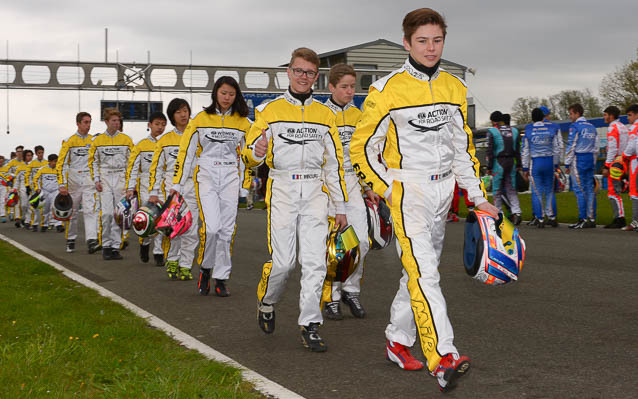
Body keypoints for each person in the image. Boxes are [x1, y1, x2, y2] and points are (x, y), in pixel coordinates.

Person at [349, 8, 498, 392]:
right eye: (422, 41)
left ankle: (398, 342)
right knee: (425, 274)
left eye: (437, 40)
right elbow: (362, 149)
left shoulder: (454, 87)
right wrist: (388, 188)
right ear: (406, 43)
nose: (431, 48)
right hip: (408, 192)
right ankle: (442, 355)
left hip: (444, 191)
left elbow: (462, 149)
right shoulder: (386, 91)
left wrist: (478, 197)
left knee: (416, 270)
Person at [242, 47, 348, 352]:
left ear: (317, 76)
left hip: (316, 191)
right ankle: (268, 300)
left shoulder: (325, 115)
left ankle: (310, 323)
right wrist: (255, 154)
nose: (304, 77)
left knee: (315, 262)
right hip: (283, 189)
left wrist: (340, 206)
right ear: (288, 72)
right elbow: (249, 153)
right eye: (298, 71)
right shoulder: (269, 111)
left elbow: (334, 165)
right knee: (284, 263)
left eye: (310, 73)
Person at [172, 76, 252, 294]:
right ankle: (206, 268)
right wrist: (177, 183)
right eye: (223, 92)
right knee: (213, 228)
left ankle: (220, 278)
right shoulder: (200, 119)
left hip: (230, 176)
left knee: (227, 231)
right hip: (206, 174)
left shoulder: (244, 123)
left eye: (231, 94)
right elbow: (186, 153)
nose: (227, 97)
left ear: (236, 96)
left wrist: (245, 186)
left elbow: (247, 157)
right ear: (215, 92)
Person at [321, 63, 377, 320]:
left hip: (353, 181)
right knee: (335, 243)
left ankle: (350, 291)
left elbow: (363, 154)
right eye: (344, 86)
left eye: (353, 86)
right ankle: (330, 296)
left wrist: (369, 186)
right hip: (327, 184)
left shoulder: (359, 116)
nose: (349, 91)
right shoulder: (321, 114)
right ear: (331, 87)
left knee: (362, 241)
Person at [148, 98, 199, 278]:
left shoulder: (197, 134)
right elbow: (156, 168)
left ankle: (186, 265)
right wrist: (154, 192)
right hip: (172, 188)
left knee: (191, 229)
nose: (183, 114)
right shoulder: (164, 140)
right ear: (172, 116)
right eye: (178, 112)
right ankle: (172, 259)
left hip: (194, 186)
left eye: (185, 110)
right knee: (174, 230)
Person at [89, 108, 134, 260]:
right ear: (106, 122)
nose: (116, 123)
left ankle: (115, 247)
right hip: (105, 178)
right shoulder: (97, 141)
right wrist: (96, 180)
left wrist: (130, 186)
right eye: (113, 120)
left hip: (121, 178)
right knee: (107, 214)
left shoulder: (127, 140)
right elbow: (93, 162)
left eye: (118, 120)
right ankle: (106, 245)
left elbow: (131, 164)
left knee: (119, 214)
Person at [125, 112, 167, 263]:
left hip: (162, 184)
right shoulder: (141, 145)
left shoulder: (167, 143)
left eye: (163, 124)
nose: (160, 127)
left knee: (161, 217)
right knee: (148, 217)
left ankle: (158, 252)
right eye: (157, 124)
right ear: (149, 125)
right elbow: (133, 168)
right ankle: (145, 243)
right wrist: (130, 187)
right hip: (145, 185)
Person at [57, 112, 101, 254]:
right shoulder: (68, 141)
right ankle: (70, 239)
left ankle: (91, 240)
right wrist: (62, 184)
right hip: (73, 180)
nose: (88, 125)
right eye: (85, 122)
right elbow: (61, 164)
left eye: (90, 122)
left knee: (90, 210)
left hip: (89, 179)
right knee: (73, 212)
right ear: (78, 123)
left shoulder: (93, 140)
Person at [522, 108, 562, 227]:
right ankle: (552, 216)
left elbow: (525, 151)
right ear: (543, 117)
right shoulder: (551, 128)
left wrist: (525, 168)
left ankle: (540, 218)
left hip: (536, 162)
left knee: (536, 191)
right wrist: (556, 164)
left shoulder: (529, 129)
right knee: (550, 190)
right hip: (549, 161)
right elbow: (556, 148)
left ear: (532, 118)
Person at [565, 104, 598, 229]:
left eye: (571, 113)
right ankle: (591, 218)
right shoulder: (592, 127)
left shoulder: (575, 127)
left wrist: (567, 163)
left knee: (579, 190)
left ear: (577, 113)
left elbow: (571, 145)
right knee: (590, 189)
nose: (570, 116)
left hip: (579, 159)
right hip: (590, 159)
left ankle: (583, 218)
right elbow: (596, 147)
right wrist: (594, 162)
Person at [486, 111, 522, 225]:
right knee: (511, 189)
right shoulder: (515, 130)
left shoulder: (492, 131)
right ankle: (516, 212)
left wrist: (489, 166)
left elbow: (489, 150)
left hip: (498, 162)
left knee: (497, 190)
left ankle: (498, 214)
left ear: (493, 121)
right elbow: (518, 150)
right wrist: (519, 165)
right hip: (511, 162)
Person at [602, 105, 628, 228]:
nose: (604, 117)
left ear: (611, 116)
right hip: (623, 160)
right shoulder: (623, 127)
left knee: (613, 191)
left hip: (615, 162)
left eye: (605, 115)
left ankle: (619, 218)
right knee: (617, 190)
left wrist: (606, 166)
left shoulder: (612, 127)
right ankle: (619, 217)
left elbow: (612, 148)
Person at [33, 154, 63, 232]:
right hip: (45, 191)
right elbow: (35, 179)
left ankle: (58, 225)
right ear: (49, 161)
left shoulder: (59, 169)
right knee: (45, 209)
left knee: (56, 207)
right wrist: (37, 188)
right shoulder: (42, 169)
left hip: (55, 191)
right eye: (54, 161)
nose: (55, 163)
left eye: (56, 161)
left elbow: (63, 180)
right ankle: (44, 224)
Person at [621, 104, 638, 231]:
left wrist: (623, 156)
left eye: (630, 115)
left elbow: (631, 146)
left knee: (634, 191)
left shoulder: (634, 127)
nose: (628, 118)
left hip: (635, 162)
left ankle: (635, 221)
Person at [25, 145, 47, 231]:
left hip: (44, 187)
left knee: (43, 207)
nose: (41, 154)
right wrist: (27, 186)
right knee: (33, 206)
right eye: (39, 153)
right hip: (34, 187)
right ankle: (33, 224)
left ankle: (44, 223)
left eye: (42, 153)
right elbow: (27, 175)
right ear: (36, 153)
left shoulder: (46, 163)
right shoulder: (32, 163)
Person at [13, 149, 33, 228]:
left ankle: (27, 222)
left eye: (31, 155)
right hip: (22, 187)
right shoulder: (20, 167)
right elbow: (16, 179)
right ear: (24, 156)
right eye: (28, 155)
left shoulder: (35, 166)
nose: (30, 157)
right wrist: (14, 188)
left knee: (30, 205)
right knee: (24, 205)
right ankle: (23, 217)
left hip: (32, 187)